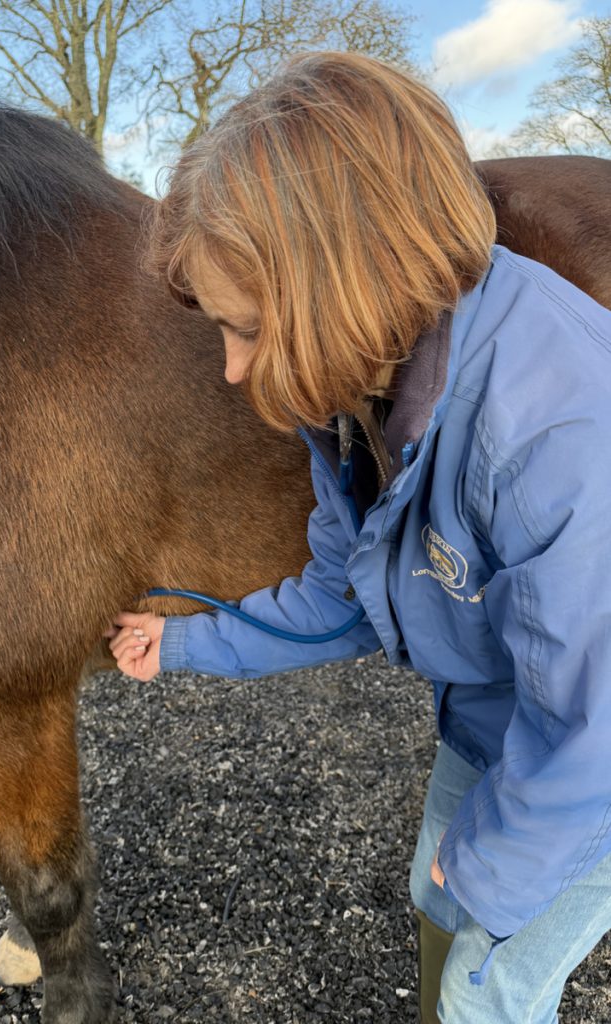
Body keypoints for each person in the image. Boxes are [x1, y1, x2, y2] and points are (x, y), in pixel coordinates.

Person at [107, 51, 611, 1024]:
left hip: (592, 750)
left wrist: (496, 862)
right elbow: (348, 592)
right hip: (503, 713)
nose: (229, 369)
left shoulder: (551, 435)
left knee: (486, 993)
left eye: (247, 328)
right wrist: (188, 639)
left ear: (350, 286)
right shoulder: (354, 402)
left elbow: (592, 723)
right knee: (438, 894)